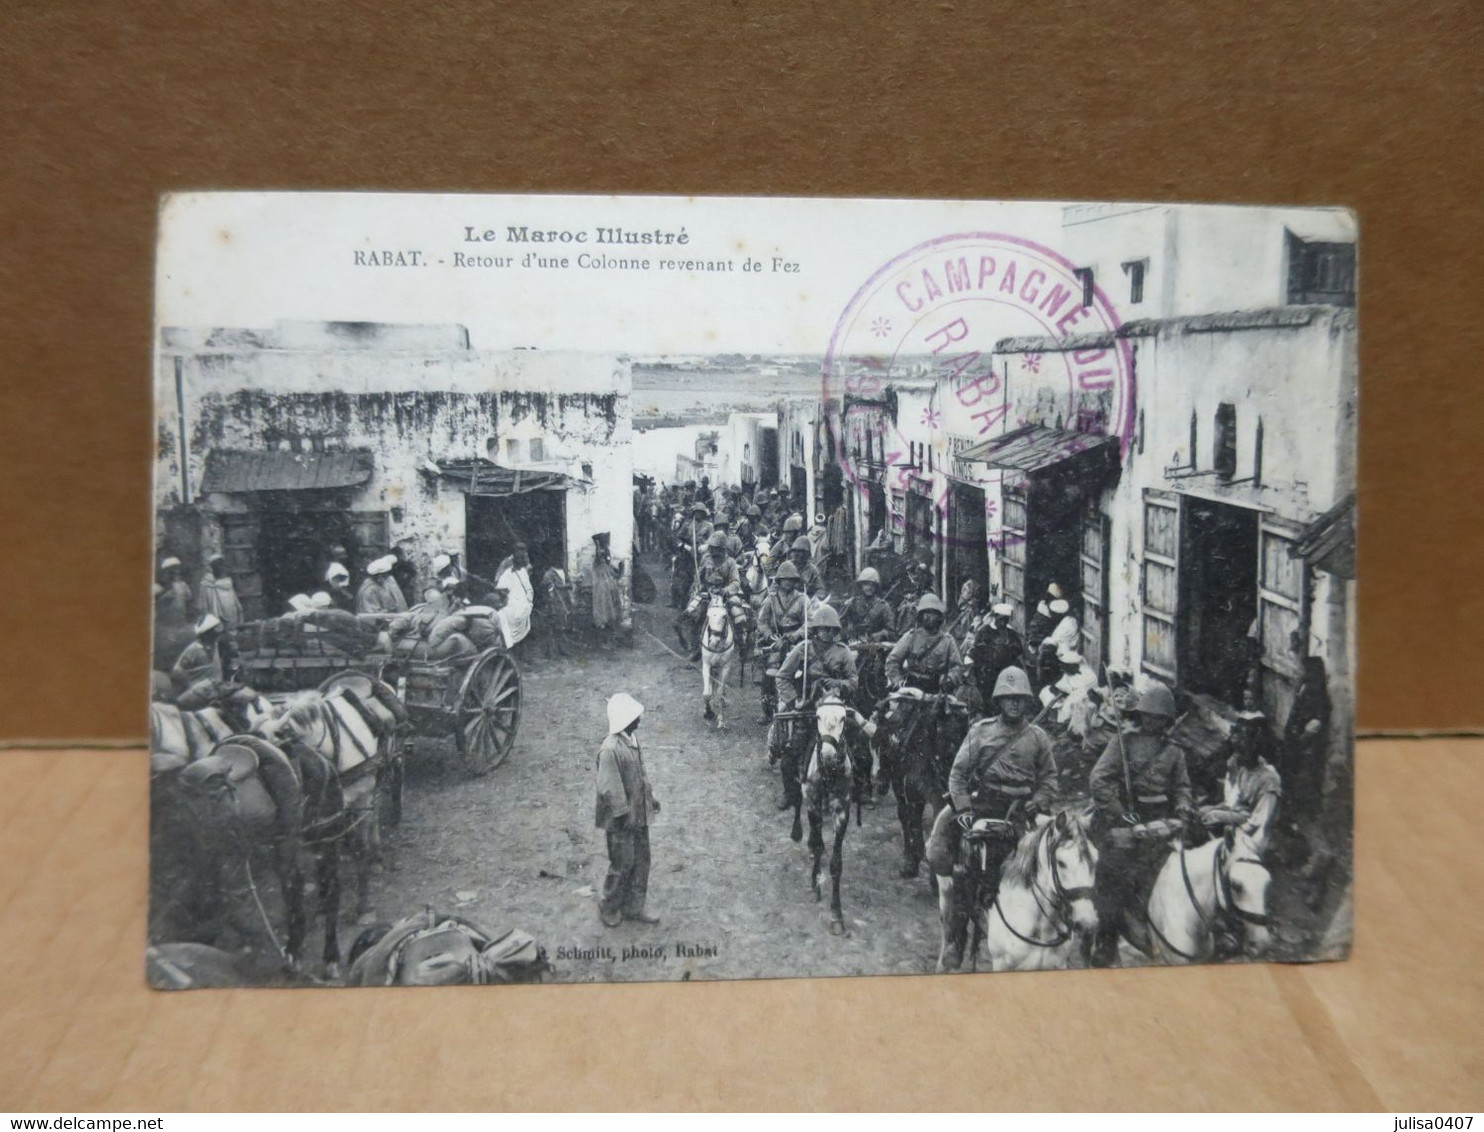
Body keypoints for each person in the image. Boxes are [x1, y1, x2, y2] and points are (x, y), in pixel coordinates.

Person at [925, 666, 1057, 966]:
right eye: (1008, 698)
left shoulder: (1038, 738)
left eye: (1020, 699)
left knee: (1055, 859)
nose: (1014, 704)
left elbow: (1049, 778)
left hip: (1023, 810)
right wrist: (964, 811)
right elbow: (958, 775)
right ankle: (957, 939)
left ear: (1027, 702)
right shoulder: (981, 732)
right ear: (998, 701)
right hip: (984, 806)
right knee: (965, 869)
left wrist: (1040, 800)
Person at [1087, 681, 1197, 967]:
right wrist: (1120, 811)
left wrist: (1183, 808)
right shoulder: (1123, 742)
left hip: (1160, 817)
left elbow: (1183, 787)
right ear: (1140, 715)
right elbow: (1098, 779)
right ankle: (1106, 939)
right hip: (1125, 816)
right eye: (1148, 715)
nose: (1153, 721)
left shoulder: (1175, 752)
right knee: (1111, 869)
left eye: (1159, 718)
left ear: (1167, 721)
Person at [770, 605, 859, 812]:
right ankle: (790, 793)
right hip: (808, 705)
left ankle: (859, 789)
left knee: (859, 745)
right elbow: (782, 677)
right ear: (816, 629)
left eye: (831, 629)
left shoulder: (843, 652)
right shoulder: (803, 649)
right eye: (822, 629)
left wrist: (837, 685)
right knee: (792, 753)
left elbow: (854, 682)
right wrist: (794, 701)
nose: (827, 633)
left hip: (836, 706)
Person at [594, 693, 660, 928]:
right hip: (621, 820)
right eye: (635, 718)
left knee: (642, 860)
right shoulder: (610, 749)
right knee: (622, 864)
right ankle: (609, 906)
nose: (639, 721)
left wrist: (650, 798)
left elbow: (641, 774)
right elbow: (608, 788)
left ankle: (634, 906)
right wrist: (624, 814)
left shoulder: (632, 740)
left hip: (638, 814)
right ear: (624, 721)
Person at [1202, 710, 1282, 855]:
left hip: (1254, 834)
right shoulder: (1245, 769)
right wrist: (1213, 807)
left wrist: (1234, 833)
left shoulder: (1269, 780)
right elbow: (1234, 801)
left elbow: (1260, 822)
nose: (1238, 756)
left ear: (1256, 748)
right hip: (1239, 818)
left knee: (1211, 818)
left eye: (1243, 750)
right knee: (1204, 813)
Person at [755, 561, 807, 723]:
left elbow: (809, 622)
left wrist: (795, 635)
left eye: (791, 579)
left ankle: (796, 705)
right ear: (779, 580)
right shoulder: (771, 598)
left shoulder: (802, 599)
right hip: (775, 639)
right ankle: (767, 710)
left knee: (800, 671)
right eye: (784, 579)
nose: (787, 582)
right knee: (771, 671)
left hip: (795, 640)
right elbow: (761, 621)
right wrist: (770, 635)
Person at [840, 567, 895, 711]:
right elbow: (840, 624)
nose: (868, 588)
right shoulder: (852, 603)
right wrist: (849, 634)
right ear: (861, 586)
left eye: (871, 585)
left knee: (877, 674)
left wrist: (878, 635)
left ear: (876, 587)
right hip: (855, 645)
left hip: (876, 648)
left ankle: (880, 704)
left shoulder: (883, 607)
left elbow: (891, 630)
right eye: (865, 584)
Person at [885, 593, 963, 693]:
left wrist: (949, 679)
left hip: (937, 690)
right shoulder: (911, 637)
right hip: (912, 688)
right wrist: (898, 681)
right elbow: (893, 660)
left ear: (939, 616)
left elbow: (957, 666)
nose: (929, 617)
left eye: (933, 613)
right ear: (920, 616)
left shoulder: (947, 641)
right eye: (926, 613)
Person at [970, 603, 1026, 711]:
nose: (1003, 623)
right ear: (995, 616)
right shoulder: (984, 632)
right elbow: (976, 651)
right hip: (988, 673)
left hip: (1006, 671)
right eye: (1001, 619)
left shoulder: (1011, 633)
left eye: (1006, 620)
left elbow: (1019, 650)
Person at [495, 546, 535, 650]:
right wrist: (507, 600)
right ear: (515, 560)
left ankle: (522, 654)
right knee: (512, 633)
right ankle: (514, 654)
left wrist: (527, 600)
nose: (524, 561)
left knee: (524, 631)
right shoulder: (507, 573)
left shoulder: (523, 571)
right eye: (521, 559)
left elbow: (527, 586)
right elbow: (500, 589)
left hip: (524, 606)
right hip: (513, 607)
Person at [588, 532, 624, 638]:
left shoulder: (607, 565)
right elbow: (599, 556)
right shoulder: (598, 562)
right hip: (601, 585)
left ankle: (607, 624)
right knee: (602, 603)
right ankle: (602, 625)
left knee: (608, 603)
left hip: (606, 584)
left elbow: (615, 572)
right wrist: (598, 545)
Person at [197, 554, 243, 627]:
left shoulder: (206, 584)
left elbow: (203, 606)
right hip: (231, 615)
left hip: (218, 619)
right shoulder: (228, 582)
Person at [157, 557, 194, 622]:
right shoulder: (159, 587)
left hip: (179, 619)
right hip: (166, 621)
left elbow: (189, 599)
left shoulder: (182, 585)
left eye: (176, 571)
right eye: (171, 572)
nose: (175, 574)